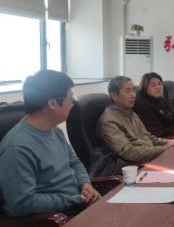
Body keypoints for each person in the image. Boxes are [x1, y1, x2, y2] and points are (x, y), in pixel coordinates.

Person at [0, 70, 100, 217]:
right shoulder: (17, 148)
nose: (72, 104)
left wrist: (85, 184)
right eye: (70, 98)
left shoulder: (55, 131)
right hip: (55, 219)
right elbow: (22, 204)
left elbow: (74, 162)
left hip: (77, 205)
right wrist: (74, 199)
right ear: (52, 103)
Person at [97, 76, 174, 164]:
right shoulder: (109, 121)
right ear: (114, 96)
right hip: (137, 165)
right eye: (128, 91)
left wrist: (170, 142)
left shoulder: (129, 112)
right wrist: (165, 148)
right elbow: (129, 152)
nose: (133, 95)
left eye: (133, 90)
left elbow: (147, 136)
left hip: (151, 156)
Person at [134, 72, 174, 138]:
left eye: (159, 83)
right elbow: (156, 131)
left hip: (169, 136)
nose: (158, 87)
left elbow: (170, 122)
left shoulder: (159, 99)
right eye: (153, 85)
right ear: (145, 88)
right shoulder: (142, 105)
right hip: (156, 139)